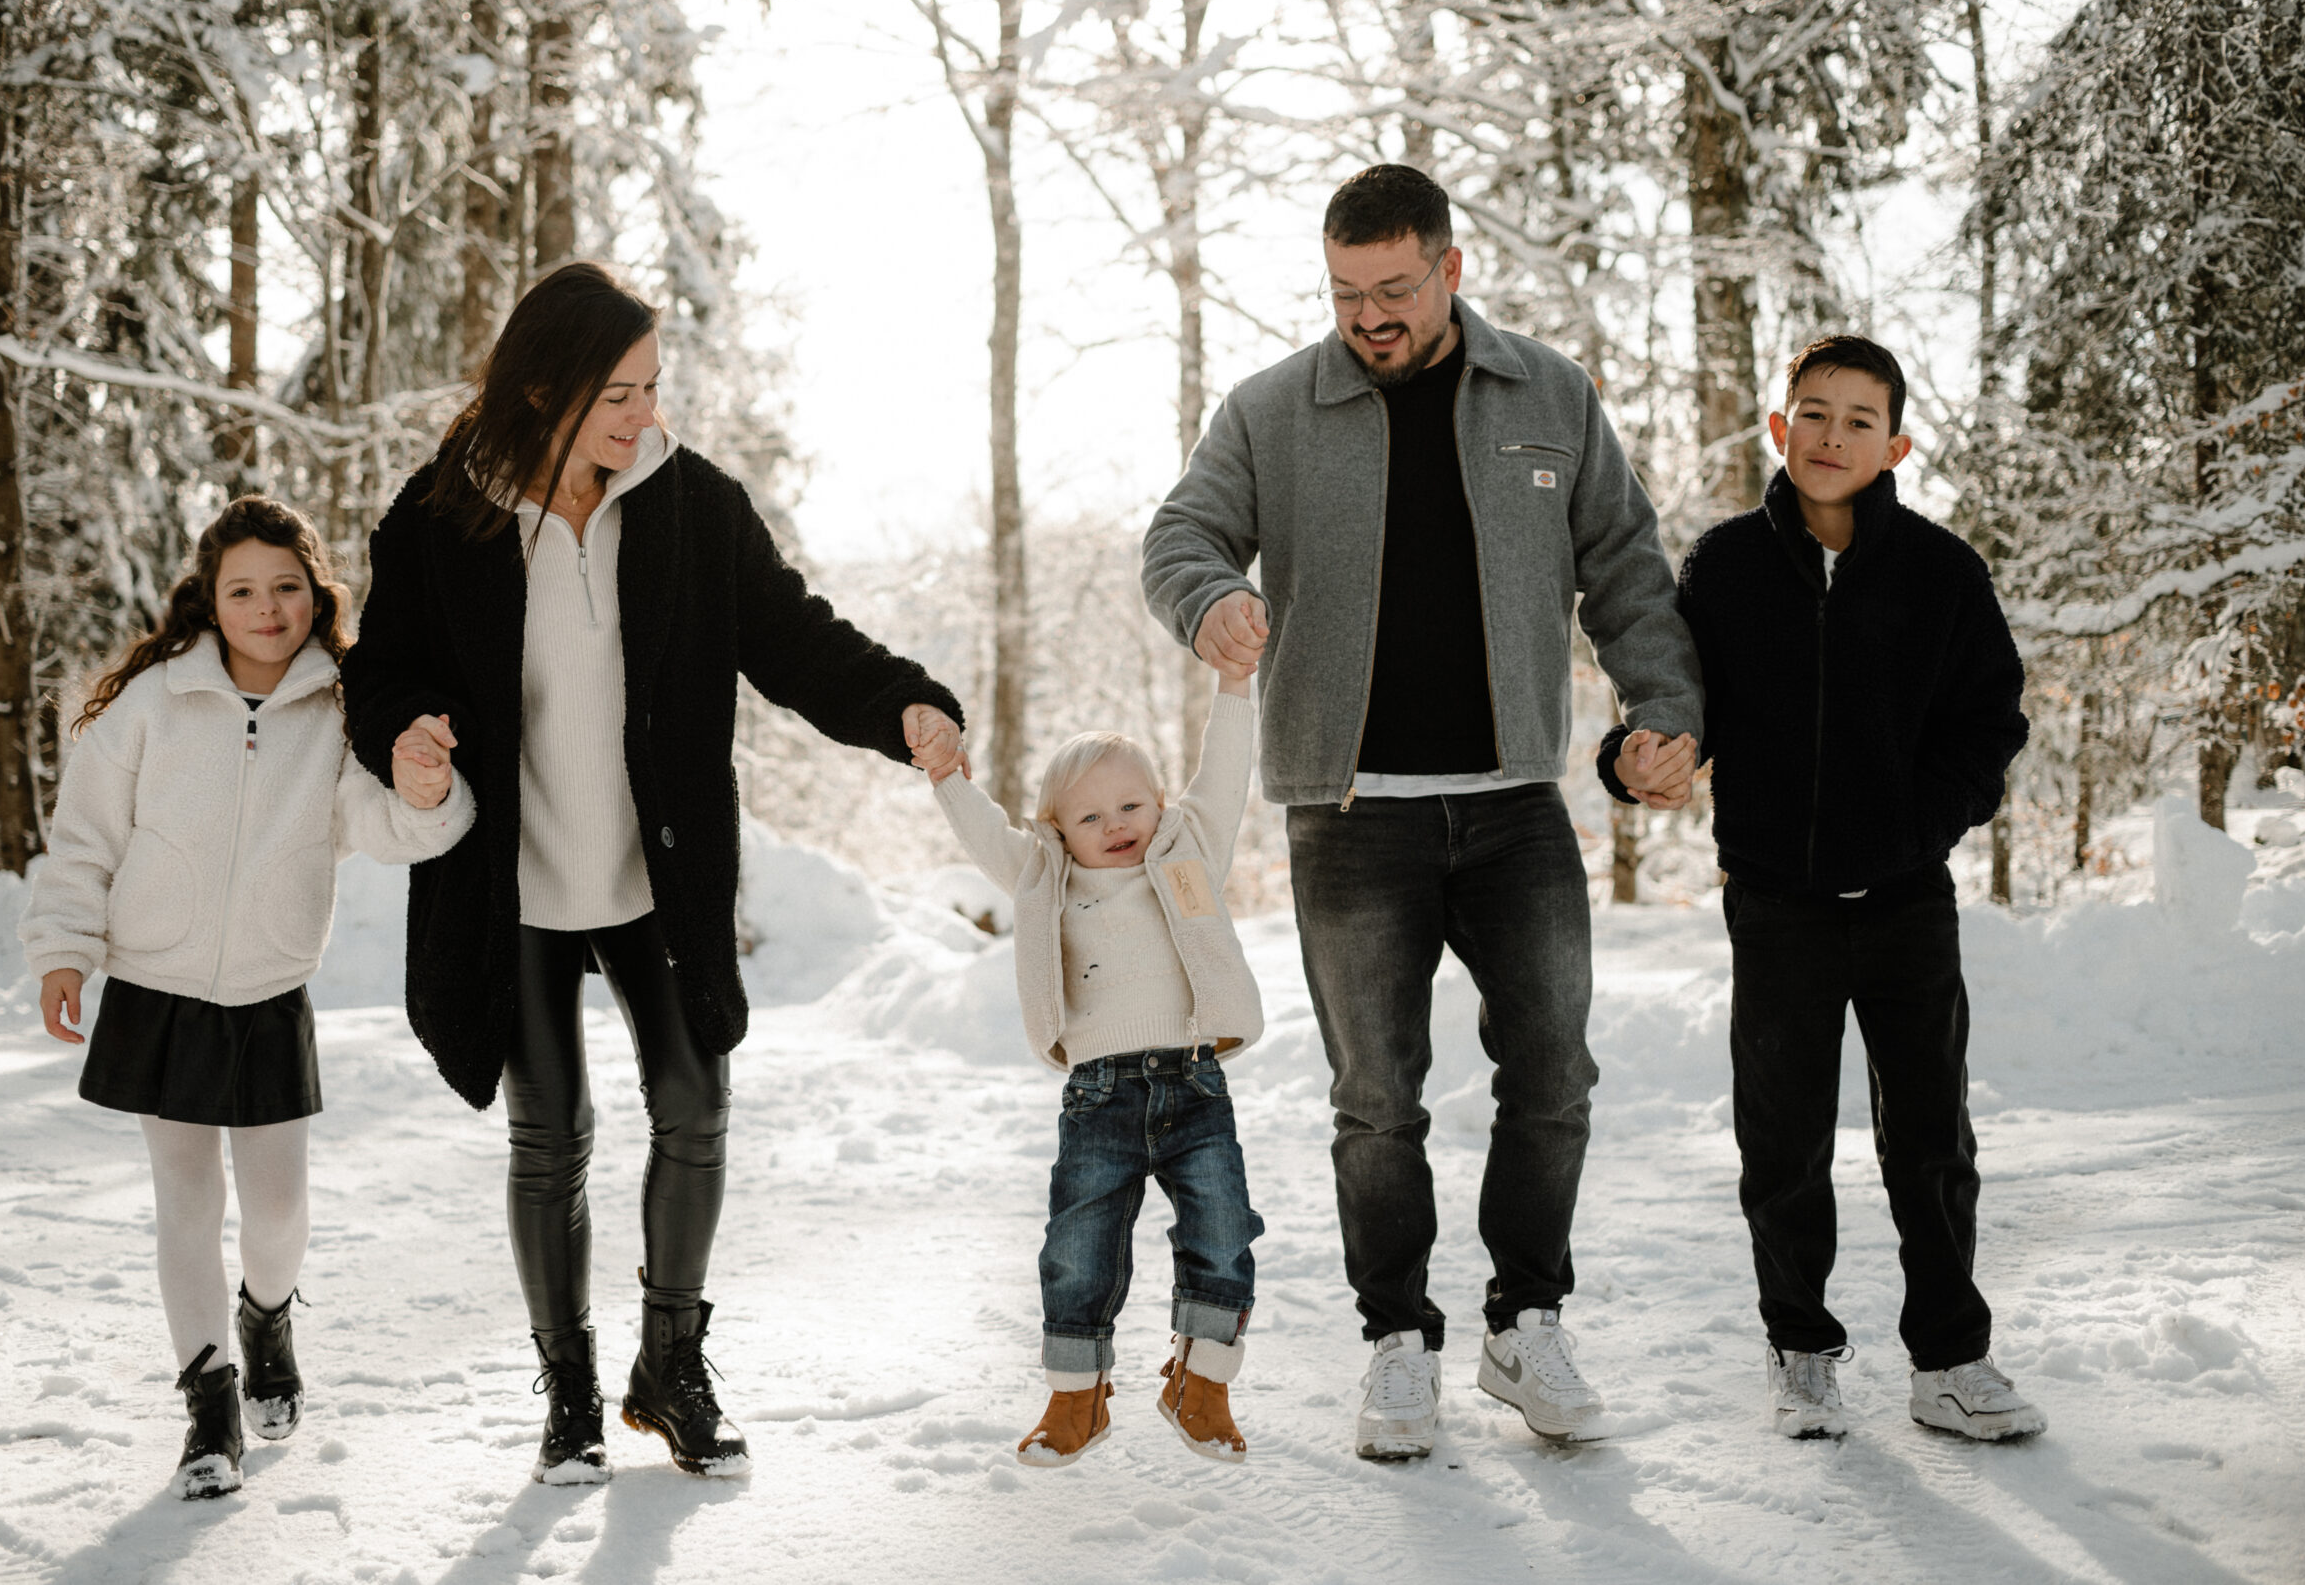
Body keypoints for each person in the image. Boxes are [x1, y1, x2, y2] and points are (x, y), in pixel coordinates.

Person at [339, 261, 968, 1484]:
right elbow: (382, 669)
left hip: (654, 872)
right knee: (550, 1132)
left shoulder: (690, 505)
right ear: (543, 390)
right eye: (617, 393)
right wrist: (404, 731)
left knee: (694, 1103)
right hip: (512, 876)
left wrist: (902, 703)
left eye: (651, 387)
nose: (643, 414)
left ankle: (667, 1367)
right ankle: (570, 1389)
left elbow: (793, 636)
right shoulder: (438, 519)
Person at [1141, 163, 1703, 1457]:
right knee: (1375, 1097)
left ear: (1451, 269)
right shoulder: (1272, 409)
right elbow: (1180, 537)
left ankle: (1526, 1320)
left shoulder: (1549, 395)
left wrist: (1663, 707)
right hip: (1353, 816)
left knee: (1553, 1073)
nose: (1369, 315)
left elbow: (1626, 569)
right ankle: (1397, 1338)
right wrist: (1209, 600)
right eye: (1346, 292)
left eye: (1394, 288)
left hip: (1515, 804)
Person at [1598, 334, 2044, 1442]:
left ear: (1895, 446)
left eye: (1858, 420)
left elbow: (1988, 725)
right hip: (1776, 906)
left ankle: (1950, 1358)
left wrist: (1915, 828)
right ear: (1777, 426)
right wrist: (1634, 755)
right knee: (1784, 1139)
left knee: (1931, 1138)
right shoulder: (1726, 565)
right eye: (1813, 412)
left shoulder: (1942, 572)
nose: (1832, 436)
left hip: (1905, 904)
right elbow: (1681, 702)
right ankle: (1800, 1351)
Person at [20, 496, 474, 1500]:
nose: (267, 608)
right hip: (156, 985)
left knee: (277, 1208)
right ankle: (208, 1403)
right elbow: (85, 834)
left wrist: (426, 786)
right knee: (187, 1200)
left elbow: (387, 826)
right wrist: (63, 949)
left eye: (286, 587)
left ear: (316, 593)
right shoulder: (154, 701)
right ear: (209, 600)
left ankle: (267, 1317)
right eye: (242, 591)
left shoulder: (341, 710)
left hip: (268, 990)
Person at [928, 663, 1266, 1468]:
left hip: (1194, 1084)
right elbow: (988, 835)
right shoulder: (1045, 875)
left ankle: (1202, 1383)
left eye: (1131, 806)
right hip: (1099, 1096)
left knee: (1223, 1232)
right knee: (1079, 1244)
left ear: (1161, 804)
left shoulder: (1190, 849)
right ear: (1057, 830)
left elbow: (1224, 774)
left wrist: (1233, 683)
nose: (1116, 825)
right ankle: (1076, 1397)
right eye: (1089, 815)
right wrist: (946, 776)